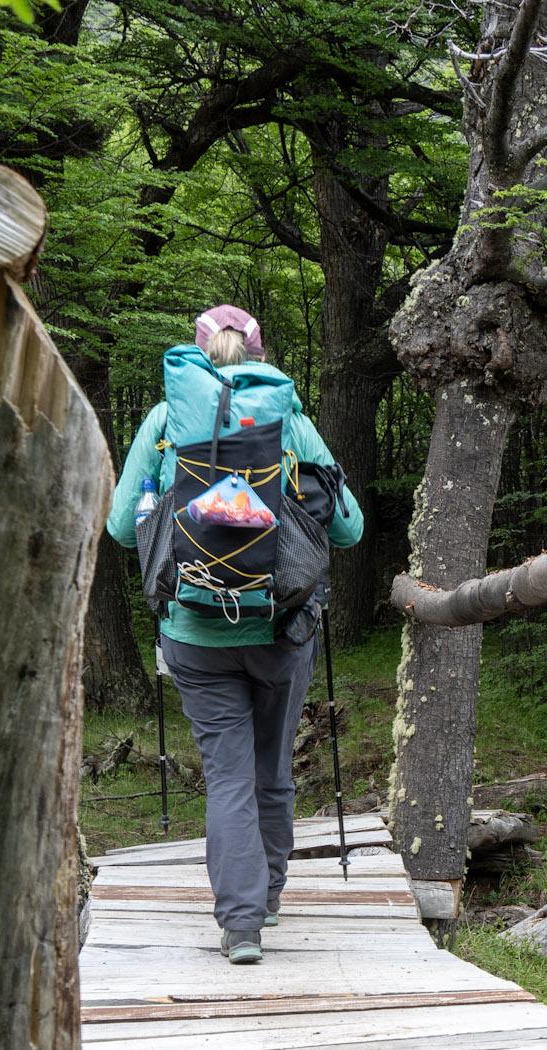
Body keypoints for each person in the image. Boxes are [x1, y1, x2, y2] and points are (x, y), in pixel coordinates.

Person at [107, 304, 364, 963]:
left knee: (227, 774)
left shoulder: (167, 422)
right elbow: (349, 528)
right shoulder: (289, 421)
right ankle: (269, 897)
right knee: (271, 767)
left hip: (192, 630)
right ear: (258, 353)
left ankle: (240, 923)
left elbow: (116, 526)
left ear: (195, 355)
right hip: (280, 625)